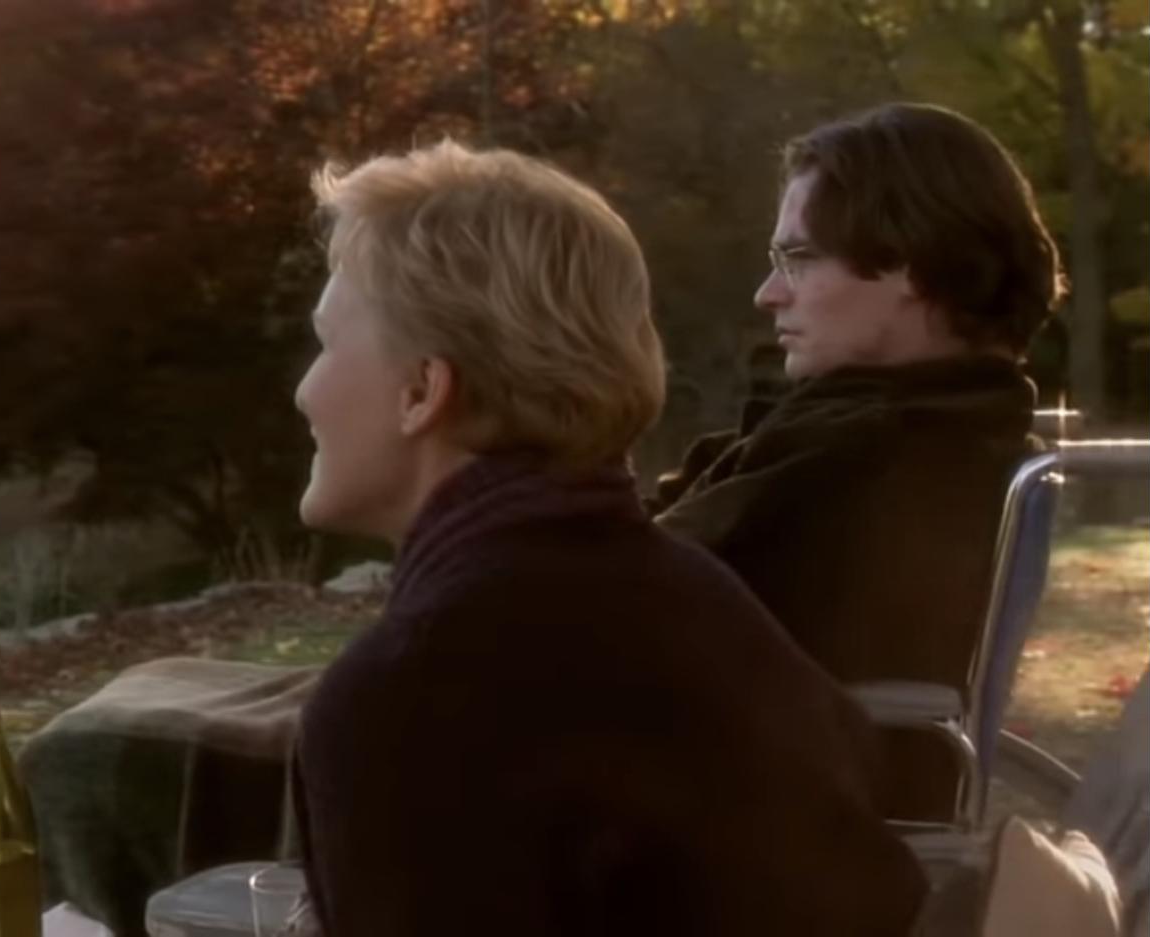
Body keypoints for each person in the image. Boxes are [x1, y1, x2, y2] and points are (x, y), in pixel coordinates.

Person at [287, 140, 925, 936]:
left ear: (422, 390)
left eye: (326, 343)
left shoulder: (410, 694)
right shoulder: (698, 601)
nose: (304, 391)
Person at [651, 102, 1061, 819]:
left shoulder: (871, 454)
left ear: (911, 266)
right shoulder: (936, 430)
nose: (768, 294)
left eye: (800, 259)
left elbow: (609, 600)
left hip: (754, 841)